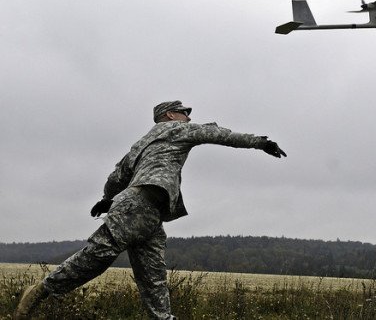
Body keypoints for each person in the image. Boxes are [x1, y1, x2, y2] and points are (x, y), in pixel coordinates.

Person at [14, 100, 287, 320]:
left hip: (150, 214)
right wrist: (261, 142)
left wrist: (108, 199)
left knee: (154, 280)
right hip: (140, 204)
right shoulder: (177, 130)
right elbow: (219, 134)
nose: (189, 118)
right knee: (97, 256)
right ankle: (41, 290)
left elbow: (117, 176)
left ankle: (163, 317)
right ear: (169, 115)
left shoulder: (140, 144)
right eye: (184, 113)